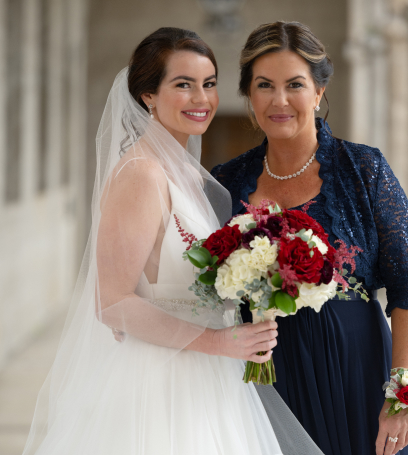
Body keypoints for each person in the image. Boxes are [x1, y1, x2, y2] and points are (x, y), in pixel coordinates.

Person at [21, 27, 323, 455]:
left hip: (210, 377)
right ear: (148, 96)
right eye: (183, 85)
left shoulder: (183, 172)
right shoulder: (142, 173)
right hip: (160, 382)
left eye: (209, 84)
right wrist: (218, 342)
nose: (201, 99)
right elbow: (112, 302)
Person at [211, 21, 408, 455]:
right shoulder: (225, 182)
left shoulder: (365, 170)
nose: (279, 100)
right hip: (262, 380)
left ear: (318, 91)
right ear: (249, 98)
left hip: (357, 372)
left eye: (294, 84)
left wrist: (402, 395)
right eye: (264, 86)